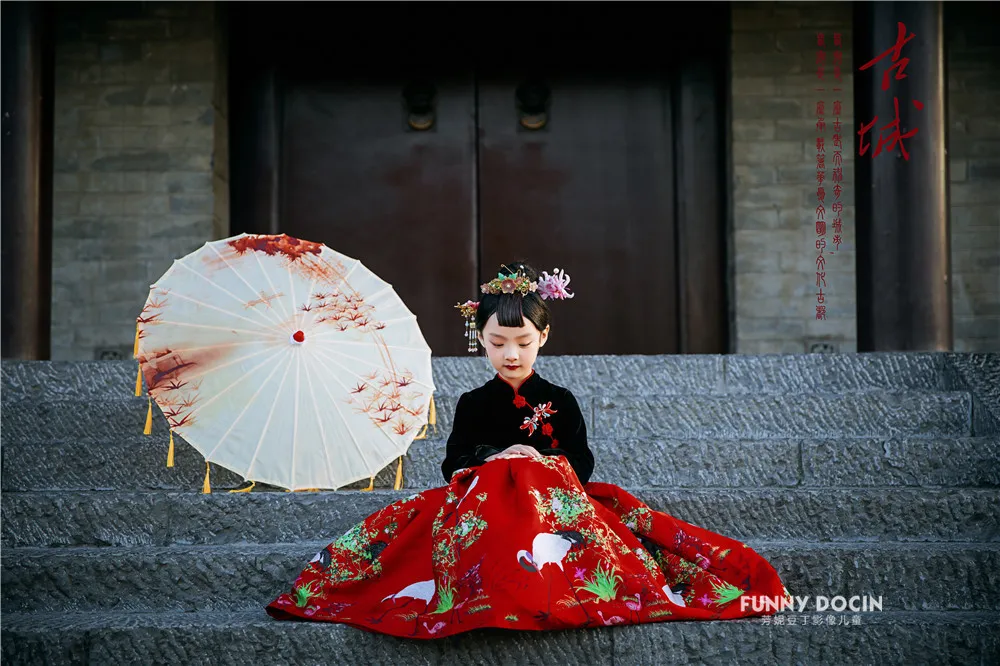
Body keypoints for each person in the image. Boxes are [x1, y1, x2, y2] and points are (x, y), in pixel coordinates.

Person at [265, 261, 791, 638]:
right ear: (481, 338)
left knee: (536, 476)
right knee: (492, 481)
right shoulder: (473, 401)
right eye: (497, 343)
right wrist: (495, 460)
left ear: (544, 335)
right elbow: (453, 462)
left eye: (522, 341)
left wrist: (539, 462)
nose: (510, 354)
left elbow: (582, 463)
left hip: (550, 502)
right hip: (487, 501)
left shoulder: (559, 399)